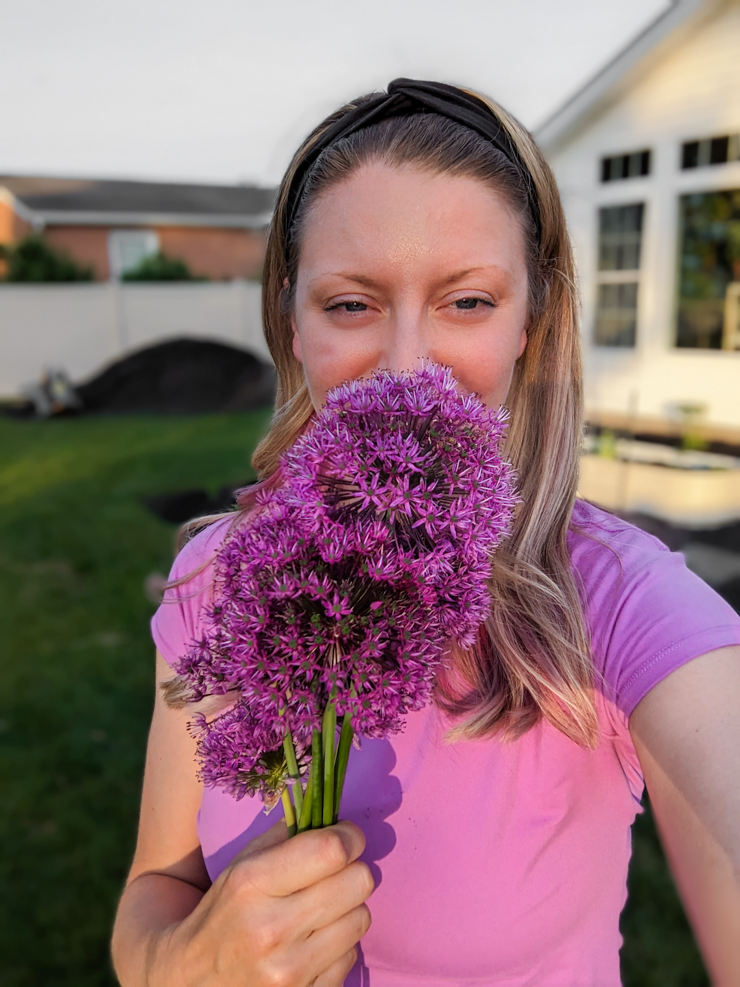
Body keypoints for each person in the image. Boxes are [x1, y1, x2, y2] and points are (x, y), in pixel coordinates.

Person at [111, 80, 740, 986]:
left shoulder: (615, 599)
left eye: (469, 302)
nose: (408, 367)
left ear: (533, 319)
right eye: (352, 305)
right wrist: (176, 962)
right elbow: (154, 891)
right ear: (292, 320)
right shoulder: (216, 580)